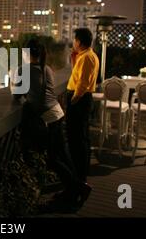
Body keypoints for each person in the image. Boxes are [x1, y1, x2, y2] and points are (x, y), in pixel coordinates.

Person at [14, 38, 89, 212]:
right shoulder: (46, 68)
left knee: (53, 159)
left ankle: (77, 188)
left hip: (47, 119)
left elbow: (17, 95)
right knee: (63, 155)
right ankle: (75, 189)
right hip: (57, 113)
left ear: (27, 54)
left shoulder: (23, 70)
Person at [66, 28, 99, 199]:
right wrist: (73, 59)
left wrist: (73, 100)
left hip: (79, 100)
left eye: (74, 40)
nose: (73, 43)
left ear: (79, 41)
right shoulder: (86, 56)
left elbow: (83, 83)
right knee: (80, 137)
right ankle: (80, 176)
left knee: (77, 139)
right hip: (81, 100)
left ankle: (80, 179)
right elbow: (77, 75)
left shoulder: (87, 58)